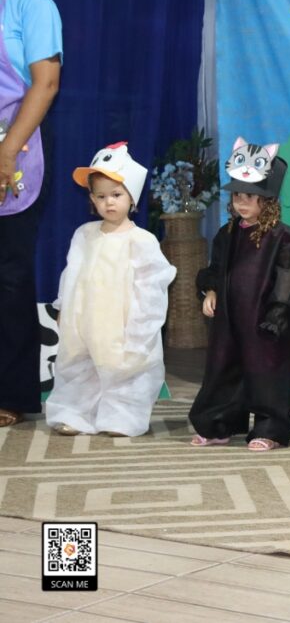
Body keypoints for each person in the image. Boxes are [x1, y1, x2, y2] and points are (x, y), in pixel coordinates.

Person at [189, 138, 290, 451]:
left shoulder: (285, 240)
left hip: (265, 320)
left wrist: (277, 313)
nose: (242, 203)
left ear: (267, 199)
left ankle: (271, 428)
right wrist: (211, 290)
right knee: (223, 368)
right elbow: (217, 268)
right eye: (237, 196)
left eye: (250, 196)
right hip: (231, 318)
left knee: (267, 371)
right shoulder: (228, 234)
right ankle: (219, 425)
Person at [45, 144, 175, 436]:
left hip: (122, 319)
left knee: (124, 366)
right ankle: (74, 413)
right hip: (85, 317)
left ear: (132, 196)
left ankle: (122, 418)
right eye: (101, 197)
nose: (109, 203)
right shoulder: (84, 234)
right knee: (80, 364)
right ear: (92, 199)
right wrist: (63, 306)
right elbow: (71, 273)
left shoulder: (141, 240)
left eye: (116, 195)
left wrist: (142, 324)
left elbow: (152, 285)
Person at [0, 0, 62, 427]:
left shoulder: (30, 4)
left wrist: (6, 151)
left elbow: (46, 82)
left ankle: (10, 394)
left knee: (8, 276)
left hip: (15, 151)